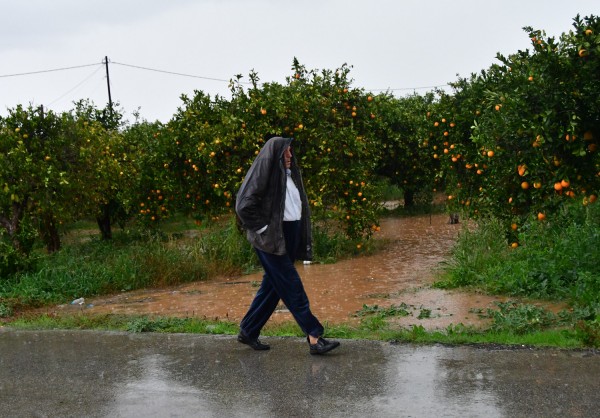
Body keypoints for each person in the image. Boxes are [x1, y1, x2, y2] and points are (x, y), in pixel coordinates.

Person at [235, 136, 340, 355]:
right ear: (275, 155)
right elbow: (244, 206)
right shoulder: (264, 174)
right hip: (271, 239)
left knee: (273, 288)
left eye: (291, 151)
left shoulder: (287, 175)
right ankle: (314, 336)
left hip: (287, 236)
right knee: (292, 285)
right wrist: (264, 230)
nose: (290, 156)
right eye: (286, 152)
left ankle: (248, 330)